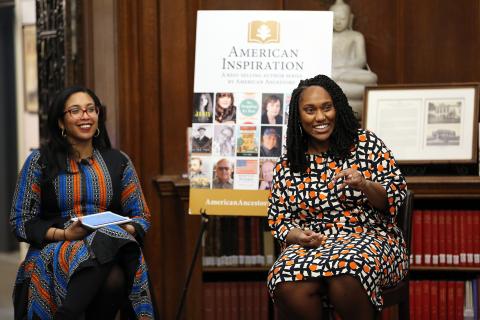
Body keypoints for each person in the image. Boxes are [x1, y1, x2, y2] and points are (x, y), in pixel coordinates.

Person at [267, 74, 408, 320]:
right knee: (283, 280)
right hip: (312, 246)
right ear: (298, 116)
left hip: (368, 238)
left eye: (326, 108)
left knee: (348, 271)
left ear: (338, 108)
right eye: (310, 110)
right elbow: (279, 219)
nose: (320, 117)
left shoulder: (366, 144)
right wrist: (298, 235)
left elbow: (394, 196)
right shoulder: (290, 163)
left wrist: (364, 184)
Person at [10, 86, 156, 319]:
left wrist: (116, 228)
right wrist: (66, 235)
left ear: (98, 115)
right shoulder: (39, 162)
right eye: (75, 110)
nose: (85, 116)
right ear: (61, 122)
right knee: (113, 270)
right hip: (55, 249)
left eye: (91, 109)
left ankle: (67, 314)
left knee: (108, 248)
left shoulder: (119, 161)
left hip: (110, 245)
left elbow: (142, 216)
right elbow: (20, 221)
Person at [330, 0, 377, 119]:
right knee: (322, 79)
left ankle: (332, 92)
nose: (338, 22)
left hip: (348, 73)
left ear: (350, 18)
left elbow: (361, 59)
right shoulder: (325, 36)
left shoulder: (356, 36)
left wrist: (341, 71)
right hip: (330, 73)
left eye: (342, 18)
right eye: (334, 18)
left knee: (371, 78)